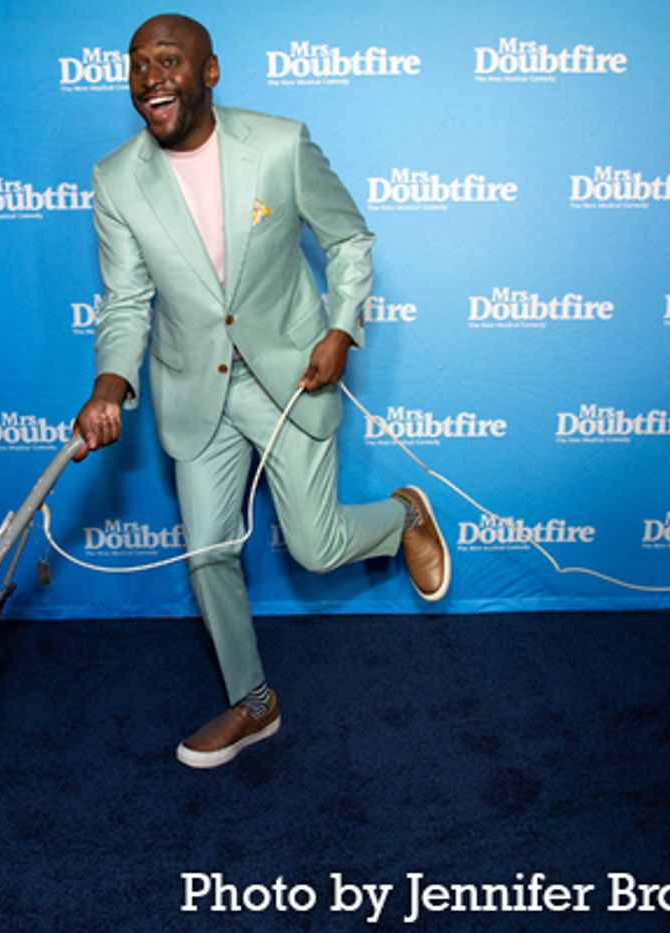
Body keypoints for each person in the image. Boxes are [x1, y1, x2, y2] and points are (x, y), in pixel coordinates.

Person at [74, 13, 449, 769]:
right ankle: (254, 702)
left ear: (210, 73)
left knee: (314, 548)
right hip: (189, 387)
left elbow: (348, 240)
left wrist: (341, 329)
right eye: (138, 64)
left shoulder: (278, 144)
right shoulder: (116, 180)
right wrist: (110, 383)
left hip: (288, 372)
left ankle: (405, 513)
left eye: (169, 61)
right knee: (209, 552)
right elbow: (124, 301)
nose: (151, 78)